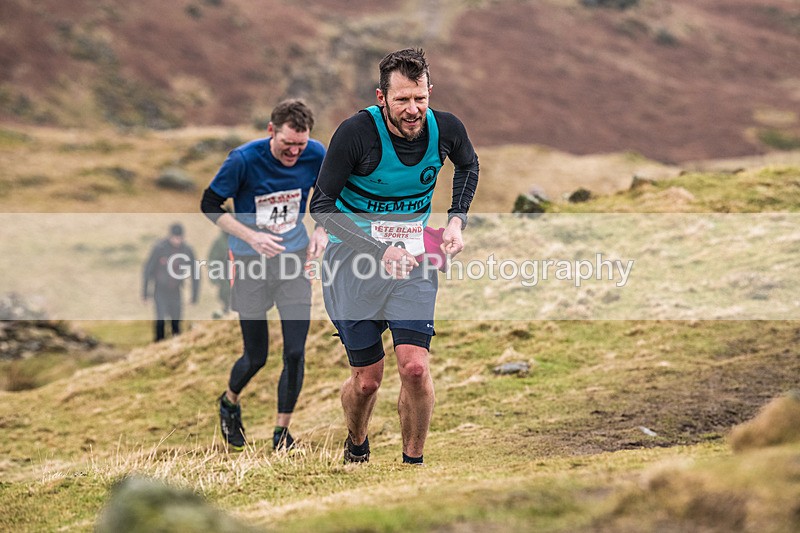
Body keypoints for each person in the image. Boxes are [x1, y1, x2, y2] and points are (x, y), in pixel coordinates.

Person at [310, 48, 479, 465]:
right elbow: (322, 206)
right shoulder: (356, 134)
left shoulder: (447, 128)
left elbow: (468, 166)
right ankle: (357, 442)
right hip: (352, 262)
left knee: (415, 368)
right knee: (367, 381)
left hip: (413, 262)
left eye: (420, 98)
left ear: (429, 91)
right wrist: (377, 249)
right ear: (382, 97)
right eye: (402, 100)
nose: (413, 109)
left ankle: (412, 464)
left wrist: (456, 222)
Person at [201, 99, 327, 452]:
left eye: (300, 145)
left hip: (293, 262)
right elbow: (209, 204)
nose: (294, 153)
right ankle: (229, 402)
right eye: (288, 144)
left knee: (295, 352)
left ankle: (281, 434)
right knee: (256, 355)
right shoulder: (242, 160)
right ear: (271, 131)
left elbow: (333, 195)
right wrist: (251, 235)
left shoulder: (316, 154)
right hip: (250, 264)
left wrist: (321, 229)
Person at [142, 223, 199, 342]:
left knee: (176, 322)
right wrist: (145, 293)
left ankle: (176, 347)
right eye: (175, 238)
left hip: (176, 290)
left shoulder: (186, 250)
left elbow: (196, 273)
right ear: (170, 236)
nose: (177, 241)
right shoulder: (159, 248)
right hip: (160, 291)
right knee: (161, 320)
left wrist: (194, 295)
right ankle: (158, 345)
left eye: (180, 238)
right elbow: (148, 270)